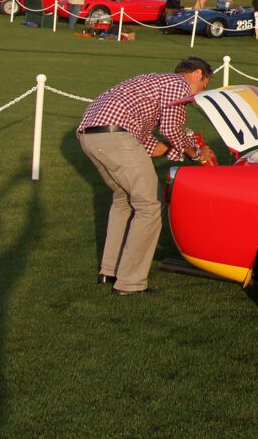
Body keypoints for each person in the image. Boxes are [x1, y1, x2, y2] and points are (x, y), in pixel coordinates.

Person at [76, 58, 218, 295]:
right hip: (116, 136)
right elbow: (171, 129)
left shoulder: (152, 83)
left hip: (90, 136)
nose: (203, 90)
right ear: (196, 74)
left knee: (123, 198)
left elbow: (152, 145)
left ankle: (109, 271)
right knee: (150, 205)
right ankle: (130, 283)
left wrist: (188, 147)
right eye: (205, 83)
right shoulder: (178, 84)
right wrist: (195, 154)